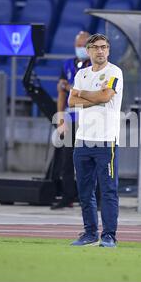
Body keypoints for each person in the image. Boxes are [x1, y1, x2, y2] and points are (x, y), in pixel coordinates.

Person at [68, 34, 123, 247]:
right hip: (82, 140)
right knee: (84, 189)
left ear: (108, 50)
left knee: (108, 189)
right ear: (89, 50)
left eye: (104, 47)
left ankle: (109, 235)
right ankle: (90, 233)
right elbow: (72, 102)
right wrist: (92, 96)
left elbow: (105, 97)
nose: (100, 51)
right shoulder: (81, 74)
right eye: (96, 47)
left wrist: (83, 94)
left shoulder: (114, 71)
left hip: (106, 140)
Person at [51, 31, 91, 210]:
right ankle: (67, 196)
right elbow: (61, 91)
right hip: (71, 118)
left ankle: (90, 197)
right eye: (78, 45)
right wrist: (60, 117)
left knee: (89, 160)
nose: (80, 48)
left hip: (89, 119)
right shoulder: (67, 64)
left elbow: (84, 91)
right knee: (67, 159)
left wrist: (69, 87)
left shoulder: (95, 67)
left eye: (83, 45)